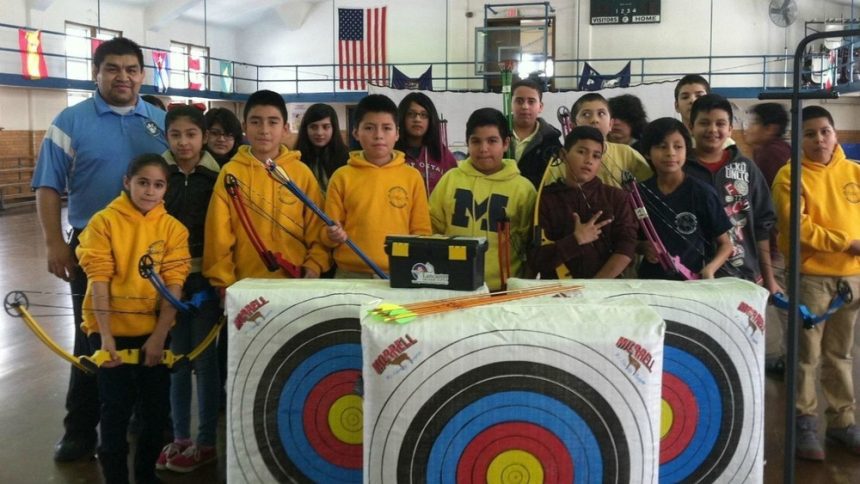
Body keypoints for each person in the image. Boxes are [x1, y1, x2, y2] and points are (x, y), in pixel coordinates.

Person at [31, 36, 168, 462]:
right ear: (97, 73)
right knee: (92, 338)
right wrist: (56, 243)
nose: (122, 77)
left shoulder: (160, 123)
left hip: (154, 252)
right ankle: (80, 431)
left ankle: (144, 427)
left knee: (148, 338)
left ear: (142, 75)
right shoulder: (69, 122)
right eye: (112, 68)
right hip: (94, 251)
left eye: (131, 69)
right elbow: (48, 184)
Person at [76, 154, 190, 484]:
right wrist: (106, 337)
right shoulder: (103, 222)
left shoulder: (173, 229)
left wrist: (159, 336)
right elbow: (98, 279)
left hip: (154, 335)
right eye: (142, 183)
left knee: (155, 413)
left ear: (166, 188)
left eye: (158, 185)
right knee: (115, 410)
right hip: (110, 335)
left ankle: (145, 476)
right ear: (127, 182)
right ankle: (114, 477)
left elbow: (174, 285)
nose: (150, 191)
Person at [772, 106, 860, 461]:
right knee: (805, 355)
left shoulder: (854, 172)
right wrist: (846, 242)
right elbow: (798, 229)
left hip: (850, 278)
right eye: (810, 134)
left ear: (835, 133)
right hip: (810, 279)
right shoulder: (789, 177)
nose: (819, 139)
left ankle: (842, 422)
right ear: (799, 140)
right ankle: (803, 421)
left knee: (840, 354)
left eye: (825, 131)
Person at [204, 90, 330, 292]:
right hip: (245, 286)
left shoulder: (301, 173)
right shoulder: (230, 173)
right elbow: (218, 236)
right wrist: (223, 282)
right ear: (244, 127)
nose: (264, 130)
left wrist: (314, 265)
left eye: (273, 122)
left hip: (296, 284)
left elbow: (318, 228)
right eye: (256, 122)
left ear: (286, 129)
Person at [155, 106, 221, 473]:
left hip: (205, 280)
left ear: (204, 138)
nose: (184, 142)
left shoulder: (216, 177)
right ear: (166, 137)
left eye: (191, 135)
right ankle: (181, 438)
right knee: (177, 361)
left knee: (204, 361)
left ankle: (206, 442)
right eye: (176, 135)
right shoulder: (156, 175)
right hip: (167, 282)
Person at [323, 94, 432, 277]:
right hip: (349, 275)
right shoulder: (342, 177)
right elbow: (328, 233)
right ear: (356, 132)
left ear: (397, 133)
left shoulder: (412, 177)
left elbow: (422, 232)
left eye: (386, 128)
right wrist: (331, 235)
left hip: (399, 273)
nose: (379, 135)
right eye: (369, 128)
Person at [429, 107, 536, 291]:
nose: (483, 149)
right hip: (451, 285)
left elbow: (530, 246)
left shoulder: (523, 189)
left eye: (492, 141)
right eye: (476, 141)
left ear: (505, 143)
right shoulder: (450, 179)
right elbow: (431, 229)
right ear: (467, 144)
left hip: (504, 289)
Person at [685, 95, 779, 292]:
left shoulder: (747, 168)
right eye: (704, 123)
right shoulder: (680, 169)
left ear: (730, 129)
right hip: (690, 275)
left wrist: (769, 279)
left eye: (720, 123)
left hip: (742, 275)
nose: (712, 129)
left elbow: (762, 225)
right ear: (691, 126)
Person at [531, 126, 638, 279]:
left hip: (606, 290)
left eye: (596, 156)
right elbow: (536, 259)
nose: (589, 161)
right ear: (563, 154)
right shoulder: (546, 198)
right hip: (558, 291)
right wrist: (575, 240)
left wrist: (594, 288)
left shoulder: (617, 197)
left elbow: (626, 248)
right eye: (581, 152)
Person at [636, 117, 733, 280]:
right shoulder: (637, 193)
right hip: (649, 283)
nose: (671, 153)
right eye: (661, 146)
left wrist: (710, 269)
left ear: (687, 151)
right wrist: (641, 247)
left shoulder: (703, 192)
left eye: (678, 146)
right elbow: (628, 241)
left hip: (691, 283)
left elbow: (726, 244)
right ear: (647, 152)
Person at [744, 102, 791, 373]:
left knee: (783, 302)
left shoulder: (770, 155)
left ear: (769, 128)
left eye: (753, 123)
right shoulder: (778, 151)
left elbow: (766, 207)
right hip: (780, 241)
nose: (747, 129)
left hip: (777, 243)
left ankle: (790, 360)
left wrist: (768, 249)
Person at [569, 93, 652, 188]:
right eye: (586, 114)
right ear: (573, 126)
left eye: (601, 114)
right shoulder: (564, 157)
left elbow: (649, 187)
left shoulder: (627, 153)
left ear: (610, 124)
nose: (595, 120)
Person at [395, 92, 458, 194]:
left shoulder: (443, 154)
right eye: (411, 114)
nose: (417, 119)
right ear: (402, 117)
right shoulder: (391, 154)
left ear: (431, 119)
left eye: (424, 115)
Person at [509, 78, 562, 188]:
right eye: (519, 101)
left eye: (531, 101)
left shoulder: (552, 141)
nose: (525, 106)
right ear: (511, 104)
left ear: (540, 107)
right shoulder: (496, 134)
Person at [294, 103, 349, 193]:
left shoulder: (346, 160)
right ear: (306, 129)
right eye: (313, 127)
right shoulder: (296, 160)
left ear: (334, 128)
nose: (319, 132)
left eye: (326, 127)